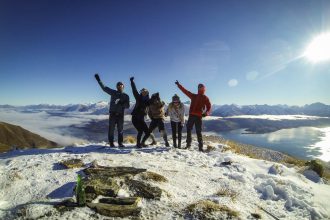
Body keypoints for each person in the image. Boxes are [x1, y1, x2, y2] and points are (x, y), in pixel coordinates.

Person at [95, 73, 130, 147]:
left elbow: (128, 106)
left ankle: (120, 143)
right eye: (118, 85)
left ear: (123, 87)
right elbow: (104, 88)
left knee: (120, 129)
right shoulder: (113, 92)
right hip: (113, 114)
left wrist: (121, 103)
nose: (120, 86)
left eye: (121, 85)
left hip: (121, 115)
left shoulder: (126, 96)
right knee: (111, 129)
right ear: (117, 87)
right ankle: (111, 143)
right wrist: (99, 80)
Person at [175, 80, 211, 151]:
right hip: (193, 116)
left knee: (197, 131)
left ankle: (198, 147)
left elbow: (209, 107)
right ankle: (190, 145)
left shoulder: (204, 97)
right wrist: (179, 85)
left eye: (201, 87)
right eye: (199, 87)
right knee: (192, 130)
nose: (200, 88)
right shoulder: (195, 96)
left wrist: (206, 113)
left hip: (197, 116)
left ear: (203, 89)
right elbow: (185, 91)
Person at [130, 77, 157, 148]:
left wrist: (155, 97)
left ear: (147, 93)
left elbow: (153, 101)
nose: (144, 93)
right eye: (142, 92)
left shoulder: (148, 101)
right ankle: (138, 144)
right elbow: (134, 90)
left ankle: (142, 143)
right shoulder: (138, 98)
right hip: (135, 118)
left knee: (148, 132)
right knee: (140, 131)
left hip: (141, 119)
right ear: (141, 93)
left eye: (145, 92)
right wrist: (132, 82)